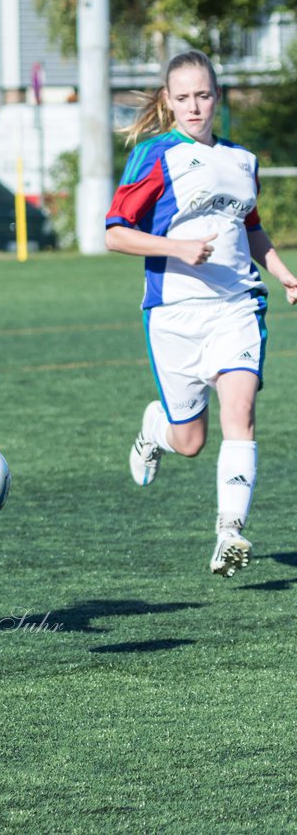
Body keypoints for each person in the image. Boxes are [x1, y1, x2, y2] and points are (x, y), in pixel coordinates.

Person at [105, 50, 297, 578]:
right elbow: (115, 233)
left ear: (217, 97)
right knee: (190, 442)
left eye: (203, 95)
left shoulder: (242, 160)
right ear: (168, 101)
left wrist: (280, 271)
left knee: (242, 413)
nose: (194, 106)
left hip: (237, 305)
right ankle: (155, 429)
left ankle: (229, 532)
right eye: (183, 97)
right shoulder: (156, 155)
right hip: (174, 314)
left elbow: (251, 227)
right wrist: (177, 249)